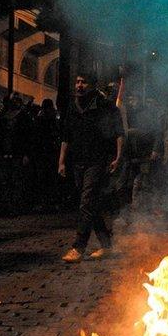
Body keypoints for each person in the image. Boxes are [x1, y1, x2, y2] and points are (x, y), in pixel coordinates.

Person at [59, 74, 124, 262]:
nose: (79, 86)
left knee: (86, 202)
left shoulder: (106, 106)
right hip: (77, 161)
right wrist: (61, 161)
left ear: (93, 86)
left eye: (83, 82)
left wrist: (118, 157)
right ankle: (107, 244)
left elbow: (119, 133)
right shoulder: (73, 106)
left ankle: (78, 247)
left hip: (97, 161)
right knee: (91, 204)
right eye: (77, 82)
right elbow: (66, 136)